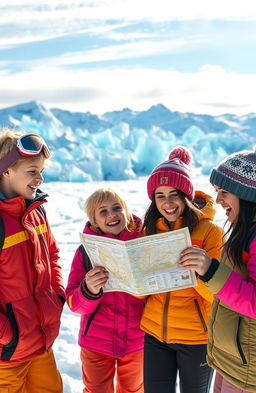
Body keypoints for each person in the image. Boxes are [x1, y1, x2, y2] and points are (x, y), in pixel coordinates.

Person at [140, 146, 224, 393]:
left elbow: (218, 295)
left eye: (174, 194)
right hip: (155, 334)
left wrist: (199, 272)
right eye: (160, 195)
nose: (167, 203)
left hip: (196, 337)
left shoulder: (210, 232)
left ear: (186, 196)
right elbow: (141, 293)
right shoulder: (148, 232)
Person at [179, 147, 256, 393]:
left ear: (246, 194)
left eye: (224, 192)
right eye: (217, 192)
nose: (219, 200)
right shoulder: (242, 230)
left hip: (247, 366)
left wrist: (211, 270)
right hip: (232, 357)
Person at [0, 129, 65, 392]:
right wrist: (7, 335)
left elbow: (54, 255)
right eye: (32, 170)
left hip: (41, 345)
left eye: (41, 171)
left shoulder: (37, 212)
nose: (40, 178)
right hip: (6, 356)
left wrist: (57, 297)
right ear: (6, 171)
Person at [66, 188, 145, 393]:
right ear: (94, 220)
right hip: (96, 342)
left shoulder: (143, 244)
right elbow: (73, 303)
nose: (111, 215)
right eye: (103, 211)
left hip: (138, 340)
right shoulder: (85, 252)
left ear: (126, 212)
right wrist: (88, 289)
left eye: (117, 208)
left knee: (134, 390)